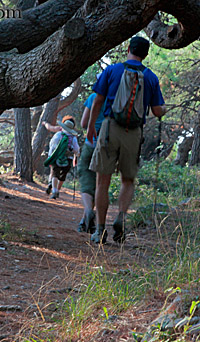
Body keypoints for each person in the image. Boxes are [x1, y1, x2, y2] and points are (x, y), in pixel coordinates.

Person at [86, 36, 167, 243]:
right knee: (128, 180)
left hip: (109, 128)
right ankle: (121, 217)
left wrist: (90, 128)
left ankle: (100, 230)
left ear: (128, 49)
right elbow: (158, 111)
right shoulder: (150, 77)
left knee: (102, 180)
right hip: (134, 133)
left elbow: (98, 101)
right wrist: (164, 108)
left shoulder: (112, 70)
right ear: (146, 54)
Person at [77, 90, 106, 233]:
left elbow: (83, 123)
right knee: (99, 184)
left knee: (86, 178)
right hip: (108, 146)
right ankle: (84, 220)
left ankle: (88, 211)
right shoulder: (117, 98)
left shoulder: (94, 97)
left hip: (92, 143)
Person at [43, 115, 80, 199]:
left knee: (54, 174)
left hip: (57, 157)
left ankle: (54, 190)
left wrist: (50, 156)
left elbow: (52, 145)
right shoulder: (73, 137)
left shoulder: (58, 134)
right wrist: (76, 156)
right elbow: (76, 149)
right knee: (62, 176)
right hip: (68, 159)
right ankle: (58, 190)